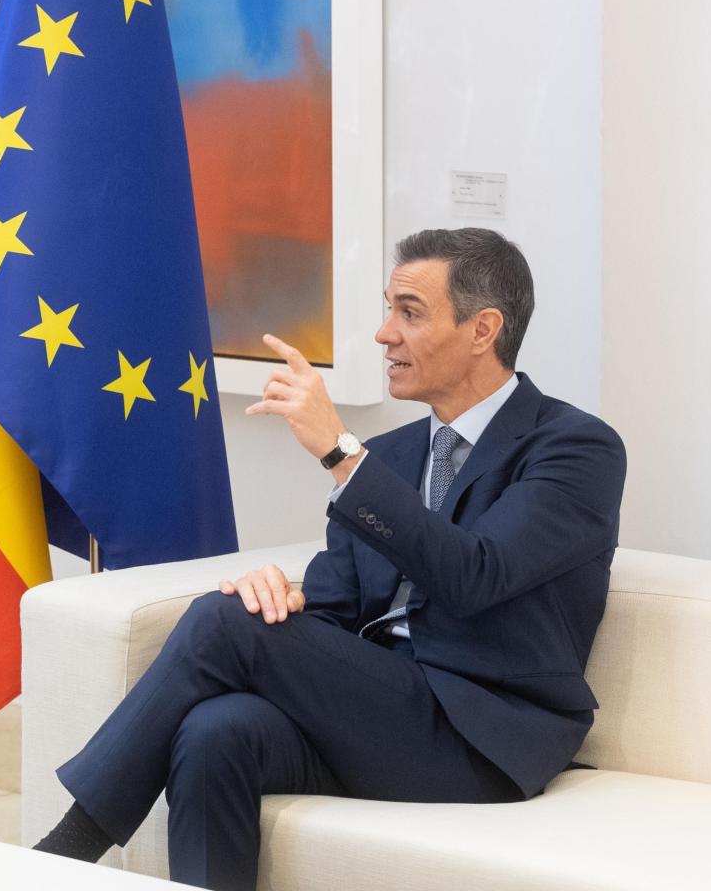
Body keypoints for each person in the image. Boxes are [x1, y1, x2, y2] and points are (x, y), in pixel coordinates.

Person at [33, 228, 626, 890]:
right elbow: (339, 608)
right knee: (215, 730)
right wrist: (282, 601)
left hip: (482, 734)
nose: (383, 334)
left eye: (409, 312)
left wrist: (342, 456)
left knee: (222, 623)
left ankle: (61, 854)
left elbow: (477, 576)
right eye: (387, 309)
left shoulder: (575, 449)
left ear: (483, 329)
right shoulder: (393, 456)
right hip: (378, 709)